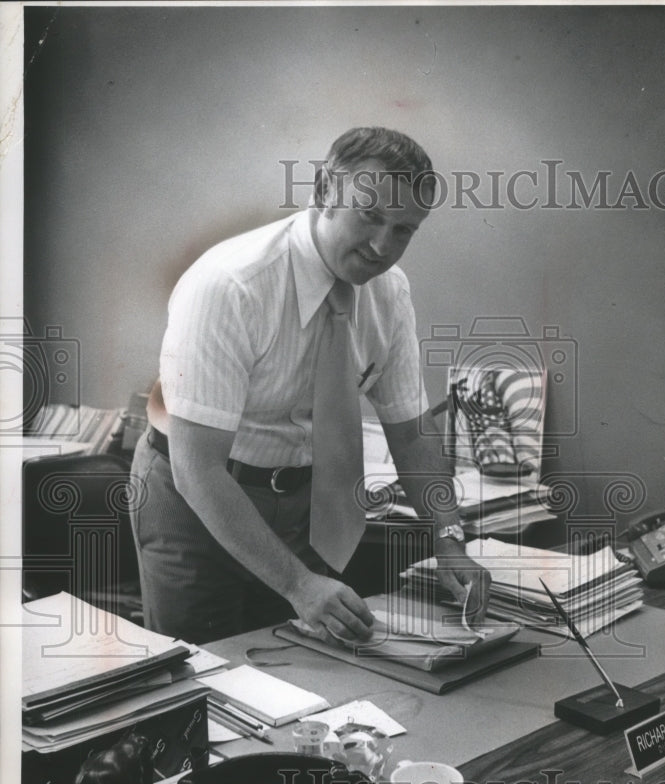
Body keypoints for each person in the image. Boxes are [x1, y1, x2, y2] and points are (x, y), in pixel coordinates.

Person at [130, 126, 490, 645]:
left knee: (300, 670)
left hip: (303, 502)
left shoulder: (388, 293)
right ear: (324, 191)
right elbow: (197, 469)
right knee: (204, 673)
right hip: (196, 499)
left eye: (403, 230)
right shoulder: (231, 285)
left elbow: (411, 433)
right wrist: (298, 583)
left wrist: (450, 536)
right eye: (370, 216)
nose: (381, 246)